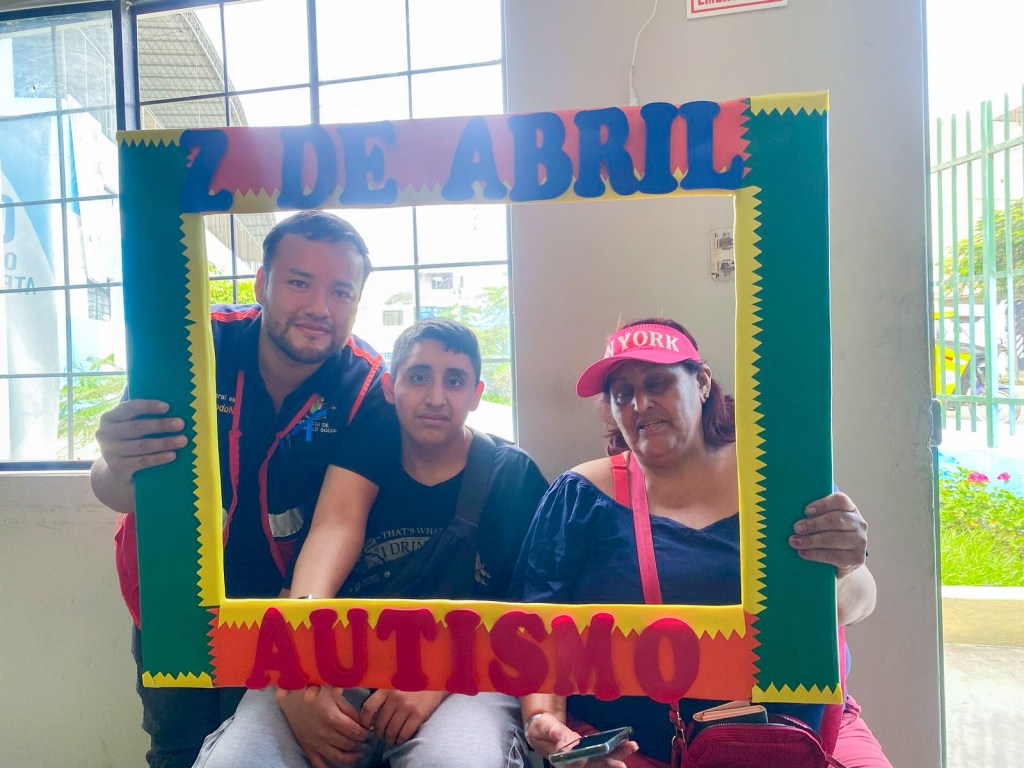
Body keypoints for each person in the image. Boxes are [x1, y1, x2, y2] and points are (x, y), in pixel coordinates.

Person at [90, 210, 399, 768]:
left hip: (293, 607)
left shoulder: (367, 385)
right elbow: (116, 488)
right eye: (299, 282)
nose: (319, 308)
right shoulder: (193, 347)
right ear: (261, 284)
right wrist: (115, 462)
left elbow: (339, 522)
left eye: (341, 292)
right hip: (177, 605)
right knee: (179, 752)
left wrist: (294, 655)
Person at [514, 318, 891, 768]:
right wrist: (546, 723)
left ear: (703, 383)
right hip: (628, 752)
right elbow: (536, 628)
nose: (640, 404)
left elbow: (854, 606)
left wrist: (847, 565)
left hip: (801, 742)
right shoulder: (579, 494)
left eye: (658, 383)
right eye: (622, 393)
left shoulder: (780, 478)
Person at [193, 318, 550, 768]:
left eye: (455, 381)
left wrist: (443, 675)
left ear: (476, 394)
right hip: (338, 667)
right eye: (418, 377)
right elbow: (303, 583)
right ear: (389, 387)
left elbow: (531, 619)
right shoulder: (353, 462)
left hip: (466, 678)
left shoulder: (512, 477)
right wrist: (295, 683)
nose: (435, 397)